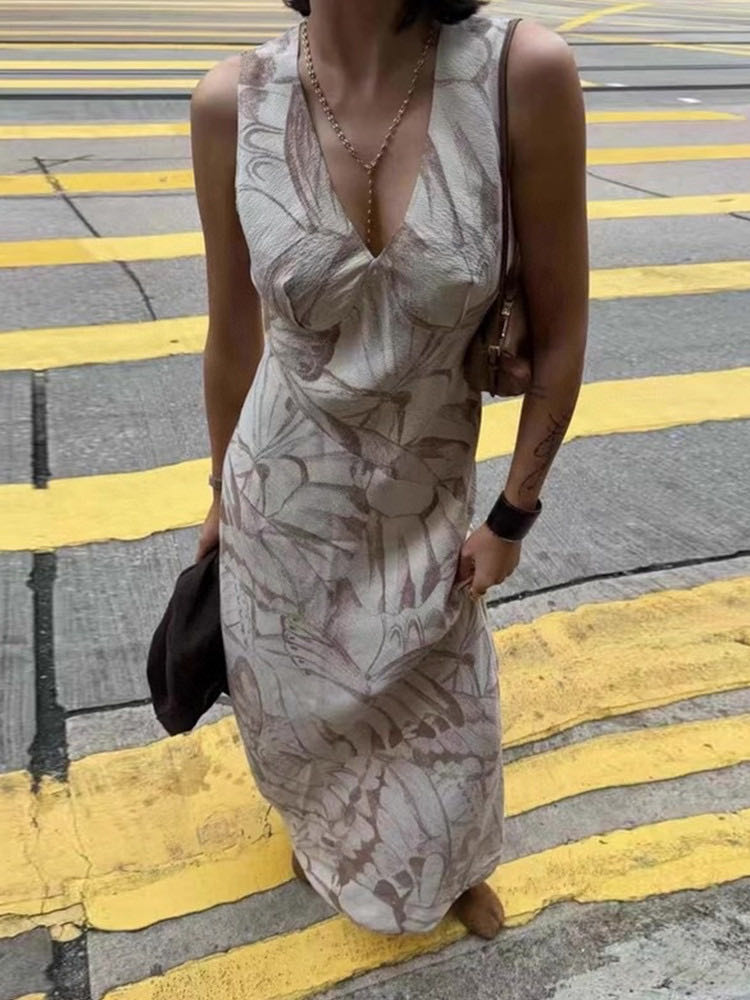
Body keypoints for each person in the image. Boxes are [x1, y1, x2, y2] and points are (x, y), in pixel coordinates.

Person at [191, 0, 588, 940]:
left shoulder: (518, 72)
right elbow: (231, 336)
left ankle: (447, 866)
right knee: (302, 729)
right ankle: (332, 840)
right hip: (277, 510)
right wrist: (217, 497)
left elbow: (566, 326)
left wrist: (514, 514)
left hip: (426, 514)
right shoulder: (233, 100)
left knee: (448, 733)